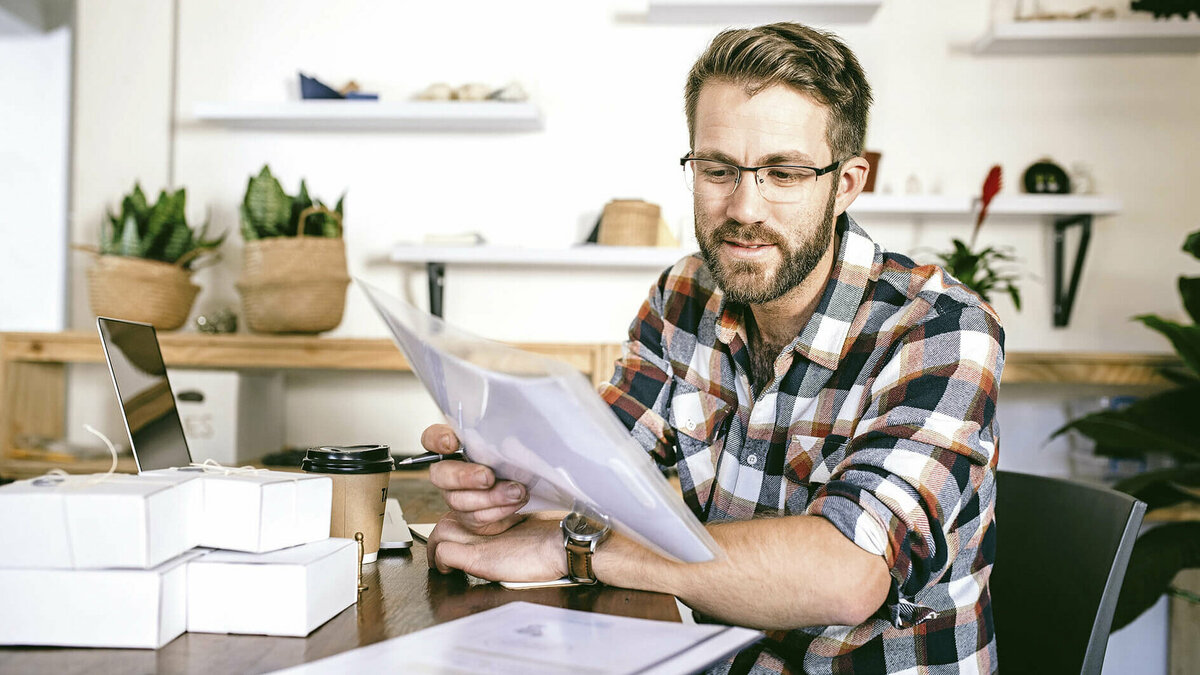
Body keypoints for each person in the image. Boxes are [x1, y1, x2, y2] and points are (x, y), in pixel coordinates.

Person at [421, 22, 1003, 674]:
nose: (744, 207)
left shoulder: (941, 329)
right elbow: (596, 475)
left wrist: (572, 548)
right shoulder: (683, 296)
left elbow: (844, 576)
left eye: (783, 172)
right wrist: (503, 487)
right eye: (718, 169)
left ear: (846, 184)